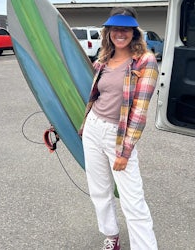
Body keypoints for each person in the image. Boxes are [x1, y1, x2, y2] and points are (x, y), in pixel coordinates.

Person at [79, 7, 159, 250]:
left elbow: (139, 111)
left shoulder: (146, 61)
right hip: (93, 129)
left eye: (125, 28)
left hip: (118, 135)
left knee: (133, 199)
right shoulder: (102, 61)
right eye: (115, 28)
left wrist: (125, 151)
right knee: (99, 190)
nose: (120, 32)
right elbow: (92, 96)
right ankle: (111, 236)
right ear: (109, 32)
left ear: (134, 32)